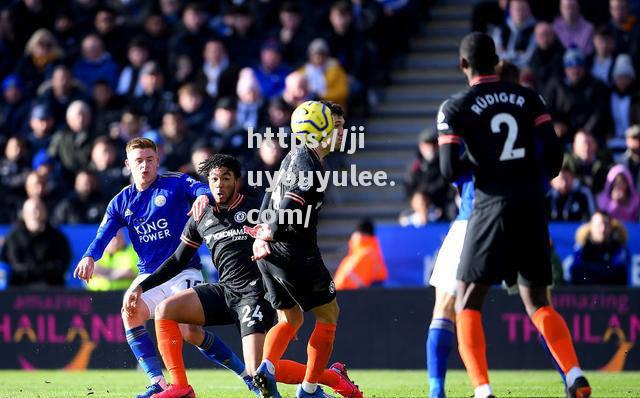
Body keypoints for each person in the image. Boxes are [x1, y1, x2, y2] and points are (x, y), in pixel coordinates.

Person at [124, 154, 362, 398]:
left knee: (258, 370)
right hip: (225, 290)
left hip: (255, 295)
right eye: (214, 179)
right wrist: (143, 287)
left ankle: (331, 377)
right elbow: (177, 260)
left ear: (236, 180)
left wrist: (283, 309)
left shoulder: (255, 208)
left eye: (225, 178)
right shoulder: (201, 215)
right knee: (165, 310)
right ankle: (181, 387)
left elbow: (278, 253)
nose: (219, 184)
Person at [437, 32, 590, 398]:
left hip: (490, 206)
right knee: (538, 301)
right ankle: (574, 375)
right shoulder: (530, 97)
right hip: (532, 205)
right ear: (496, 59)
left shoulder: (455, 106)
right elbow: (555, 158)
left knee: (466, 301)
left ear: (463, 65)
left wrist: (484, 167)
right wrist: (527, 174)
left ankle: (483, 389)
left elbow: (447, 168)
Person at [73, 137, 244, 398]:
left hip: (184, 271)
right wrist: (89, 257)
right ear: (127, 164)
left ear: (157, 160)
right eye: (138, 161)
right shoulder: (121, 201)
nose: (145, 166)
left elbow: (201, 188)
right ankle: (160, 383)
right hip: (149, 276)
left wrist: (202, 198)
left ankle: (245, 375)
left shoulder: (174, 183)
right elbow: (103, 235)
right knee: (130, 313)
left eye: (150, 160)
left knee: (190, 331)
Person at [244, 100, 346, 398]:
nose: (342, 133)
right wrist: (270, 232)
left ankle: (266, 368)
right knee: (329, 314)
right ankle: (309, 389)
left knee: (290, 319)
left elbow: (270, 192)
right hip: (294, 251)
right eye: (337, 127)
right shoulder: (308, 161)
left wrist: (262, 232)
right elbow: (292, 200)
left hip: (272, 252)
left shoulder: (295, 155)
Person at [1, 198, 70, 287]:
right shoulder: (12, 238)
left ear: (45, 213)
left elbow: (61, 265)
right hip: (18, 292)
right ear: (24, 214)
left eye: (40, 210)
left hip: (50, 291)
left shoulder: (57, 238)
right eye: (33, 211)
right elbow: (10, 265)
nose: (36, 215)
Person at [567, 210, 630, 285]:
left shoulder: (619, 248)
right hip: (586, 294)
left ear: (611, 228)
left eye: (606, 225)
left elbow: (619, 274)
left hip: (611, 294)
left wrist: (590, 271)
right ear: (591, 227)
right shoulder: (581, 248)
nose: (602, 229)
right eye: (598, 225)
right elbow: (577, 274)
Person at [334, 219, 388, 290]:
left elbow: (347, 282)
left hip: (349, 297)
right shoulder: (369, 252)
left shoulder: (364, 254)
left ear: (361, 234)